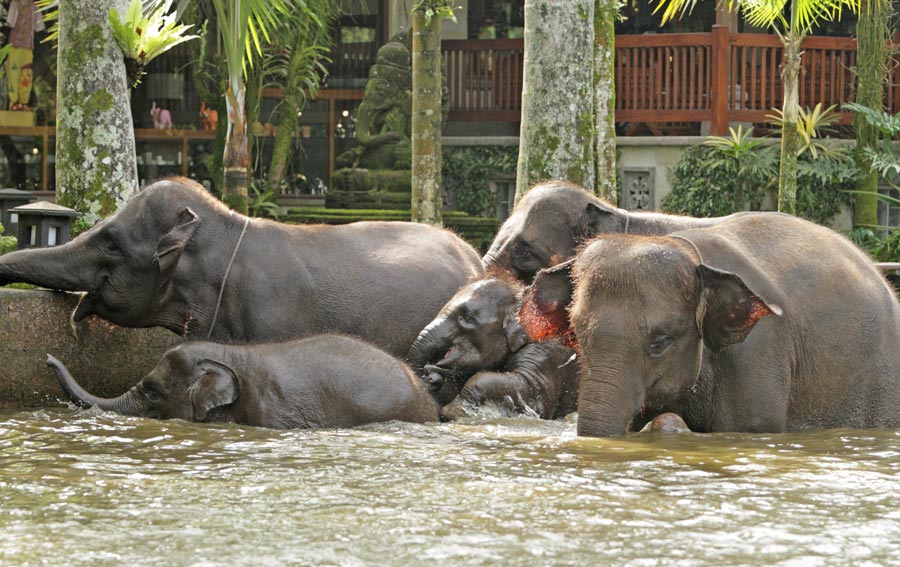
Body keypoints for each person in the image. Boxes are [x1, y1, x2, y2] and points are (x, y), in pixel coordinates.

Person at [6, 0, 44, 111]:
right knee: (13, 73)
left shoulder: (35, 5)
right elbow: (10, 22)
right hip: (15, 44)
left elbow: (39, 26)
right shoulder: (15, 3)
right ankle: (13, 102)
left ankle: (23, 102)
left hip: (28, 45)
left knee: (26, 73)